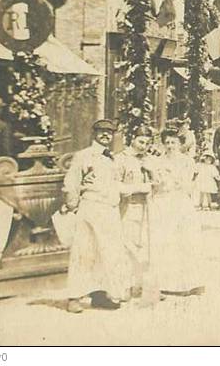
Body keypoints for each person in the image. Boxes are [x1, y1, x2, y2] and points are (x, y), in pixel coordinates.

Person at [62, 119, 127, 313]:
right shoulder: (84, 156)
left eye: (109, 132)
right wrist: (72, 206)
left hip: (110, 210)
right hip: (91, 208)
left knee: (107, 253)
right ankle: (74, 297)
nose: (106, 135)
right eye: (101, 131)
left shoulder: (113, 158)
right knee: (84, 252)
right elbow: (72, 182)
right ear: (94, 134)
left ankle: (100, 295)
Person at [144, 128, 203, 296]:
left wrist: (177, 181)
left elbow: (188, 183)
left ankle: (188, 282)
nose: (170, 146)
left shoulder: (187, 161)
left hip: (180, 201)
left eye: (173, 142)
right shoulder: (158, 161)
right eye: (167, 143)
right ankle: (166, 283)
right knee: (166, 240)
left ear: (180, 144)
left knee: (185, 239)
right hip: (163, 202)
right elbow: (155, 182)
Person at [115, 125, 154, 300]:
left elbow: (159, 182)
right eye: (140, 141)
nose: (143, 146)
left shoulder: (150, 159)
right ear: (132, 139)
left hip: (148, 208)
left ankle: (141, 285)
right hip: (128, 207)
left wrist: (152, 171)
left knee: (144, 246)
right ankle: (125, 286)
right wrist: (140, 188)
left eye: (146, 143)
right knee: (126, 246)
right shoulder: (121, 159)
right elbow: (115, 185)